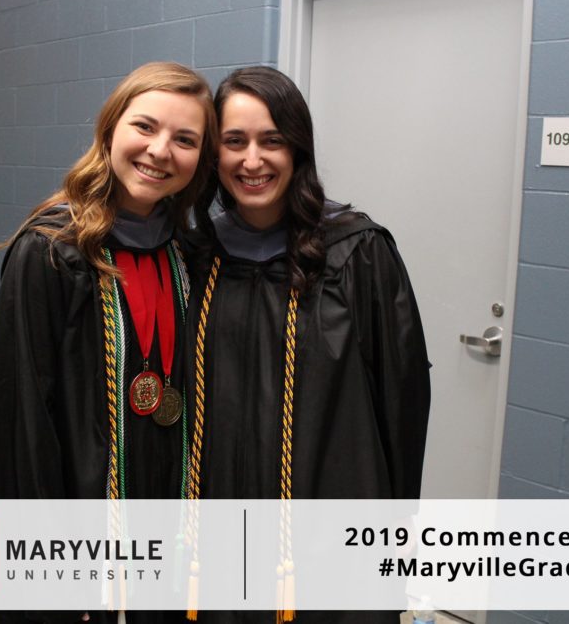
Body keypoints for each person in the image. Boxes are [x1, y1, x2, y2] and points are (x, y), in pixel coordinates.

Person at [185, 67, 432, 623]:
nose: (253, 160)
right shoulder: (196, 257)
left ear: (298, 147)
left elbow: (403, 403)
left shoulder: (358, 252)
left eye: (272, 140)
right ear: (213, 155)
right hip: (219, 528)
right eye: (234, 141)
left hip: (330, 533)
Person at [0, 62, 217, 623]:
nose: (161, 150)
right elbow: (25, 429)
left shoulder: (187, 253)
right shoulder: (52, 252)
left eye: (185, 139)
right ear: (110, 129)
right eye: (145, 126)